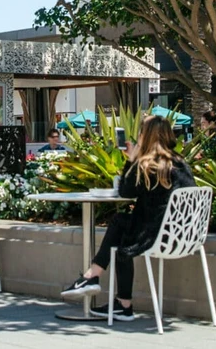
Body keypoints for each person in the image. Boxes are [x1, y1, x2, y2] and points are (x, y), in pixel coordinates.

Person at [60, 116, 196, 318]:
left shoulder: (149, 164)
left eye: (141, 132)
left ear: (146, 136)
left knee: (119, 223)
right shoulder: (181, 163)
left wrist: (132, 159)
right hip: (185, 236)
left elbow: (125, 191)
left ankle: (95, 278)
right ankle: (116, 300)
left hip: (157, 236)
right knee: (123, 230)